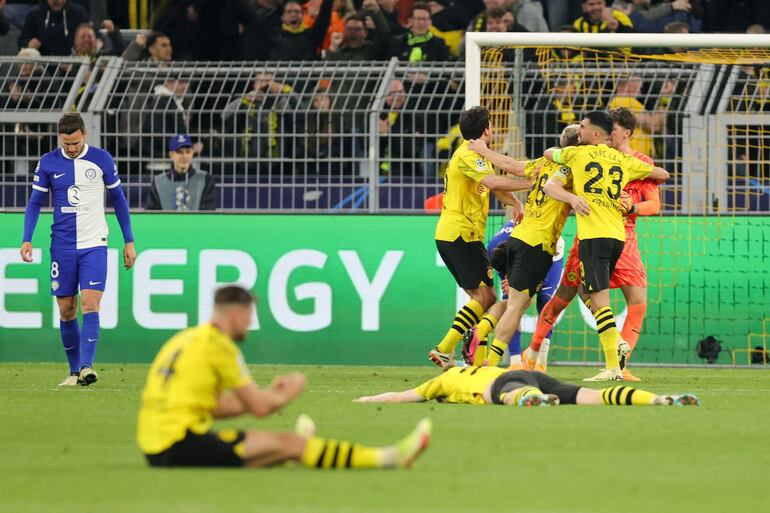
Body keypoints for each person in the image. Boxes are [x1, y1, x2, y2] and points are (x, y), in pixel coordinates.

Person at [137, 285, 431, 469]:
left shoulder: (186, 339)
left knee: (270, 452)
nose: (250, 324)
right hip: (180, 444)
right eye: (249, 316)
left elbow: (215, 408)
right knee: (292, 444)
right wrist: (286, 393)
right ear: (237, 314)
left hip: (154, 444)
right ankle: (390, 457)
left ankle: (288, 452)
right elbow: (261, 409)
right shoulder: (221, 347)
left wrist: (266, 393)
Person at [524, 108, 660, 380]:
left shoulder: (636, 161)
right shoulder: (584, 155)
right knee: (565, 296)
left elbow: (655, 204)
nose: (611, 132)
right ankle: (534, 350)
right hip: (595, 233)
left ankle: (619, 364)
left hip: (623, 235)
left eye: (616, 128)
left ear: (625, 133)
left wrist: (631, 206)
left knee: (634, 302)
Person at [20, 112, 136, 386]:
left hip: (95, 243)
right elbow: (35, 202)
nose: (71, 148)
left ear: (84, 134)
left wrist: (128, 240)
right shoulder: (48, 163)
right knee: (67, 309)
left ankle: (86, 367)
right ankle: (73, 372)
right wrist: (27, 238)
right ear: (60, 138)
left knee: (90, 303)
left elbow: (118, 200)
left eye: (75, 142)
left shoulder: (102, 159)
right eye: (66, 143)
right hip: (62, 246)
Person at [463, 124, 579, 368]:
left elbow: (512, 166)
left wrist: (483, 149)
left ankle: (484, 335)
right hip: (538, 243)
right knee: (517, 306)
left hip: (517, 235)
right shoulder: (574, 169)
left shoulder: (545, 162)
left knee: (516, 302)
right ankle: (491, 362)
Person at [429, 106, 529, 370]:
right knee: (486, 298)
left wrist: (516, 202)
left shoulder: (475, 156)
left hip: (459, 234)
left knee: (481, 299)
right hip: (461, 234)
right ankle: (444, 349)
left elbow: (492, 186)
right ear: (486, 129)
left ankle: (476, 363)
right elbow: (495, 183)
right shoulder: (469, 155)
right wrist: (532, 184)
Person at [355, 365, 700, 407]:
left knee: (507, 395)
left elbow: (401, 396)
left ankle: (533, 400)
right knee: (589, 396)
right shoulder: (481, 363)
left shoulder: (441, 381)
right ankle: (657, 400)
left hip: (506, 383)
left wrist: (369, 398)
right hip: (524, 372)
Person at [145, 134, 216, 211]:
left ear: (192, 153)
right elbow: (151, 214)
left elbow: (208, 214)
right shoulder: (158, 183)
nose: (184, 156)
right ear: (171, 155)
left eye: (187, 152)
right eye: (179, 152)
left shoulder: (205, 180)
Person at [608, 75, 666, 159]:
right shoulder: (626, 101)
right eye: (638, 85)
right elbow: (652, 125)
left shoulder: (618, 101)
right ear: (629, 85)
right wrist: (664, 113)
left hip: (632, 156)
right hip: (633, 157)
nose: (640, 90)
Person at [18, 0, 91, 56]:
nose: (57, 1)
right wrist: (28, 45)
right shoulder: (34, 14)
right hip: (40, 68)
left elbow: (93, 38)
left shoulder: (79, 13)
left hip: (72, 66)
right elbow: (22, 41)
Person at [268, 0, 334, 60]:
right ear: (282, 17)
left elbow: (324, 18)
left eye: (297, 11)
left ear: (302, 16)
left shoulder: (312, 36)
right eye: (289, 12)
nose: (293, 15)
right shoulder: (274, 37)